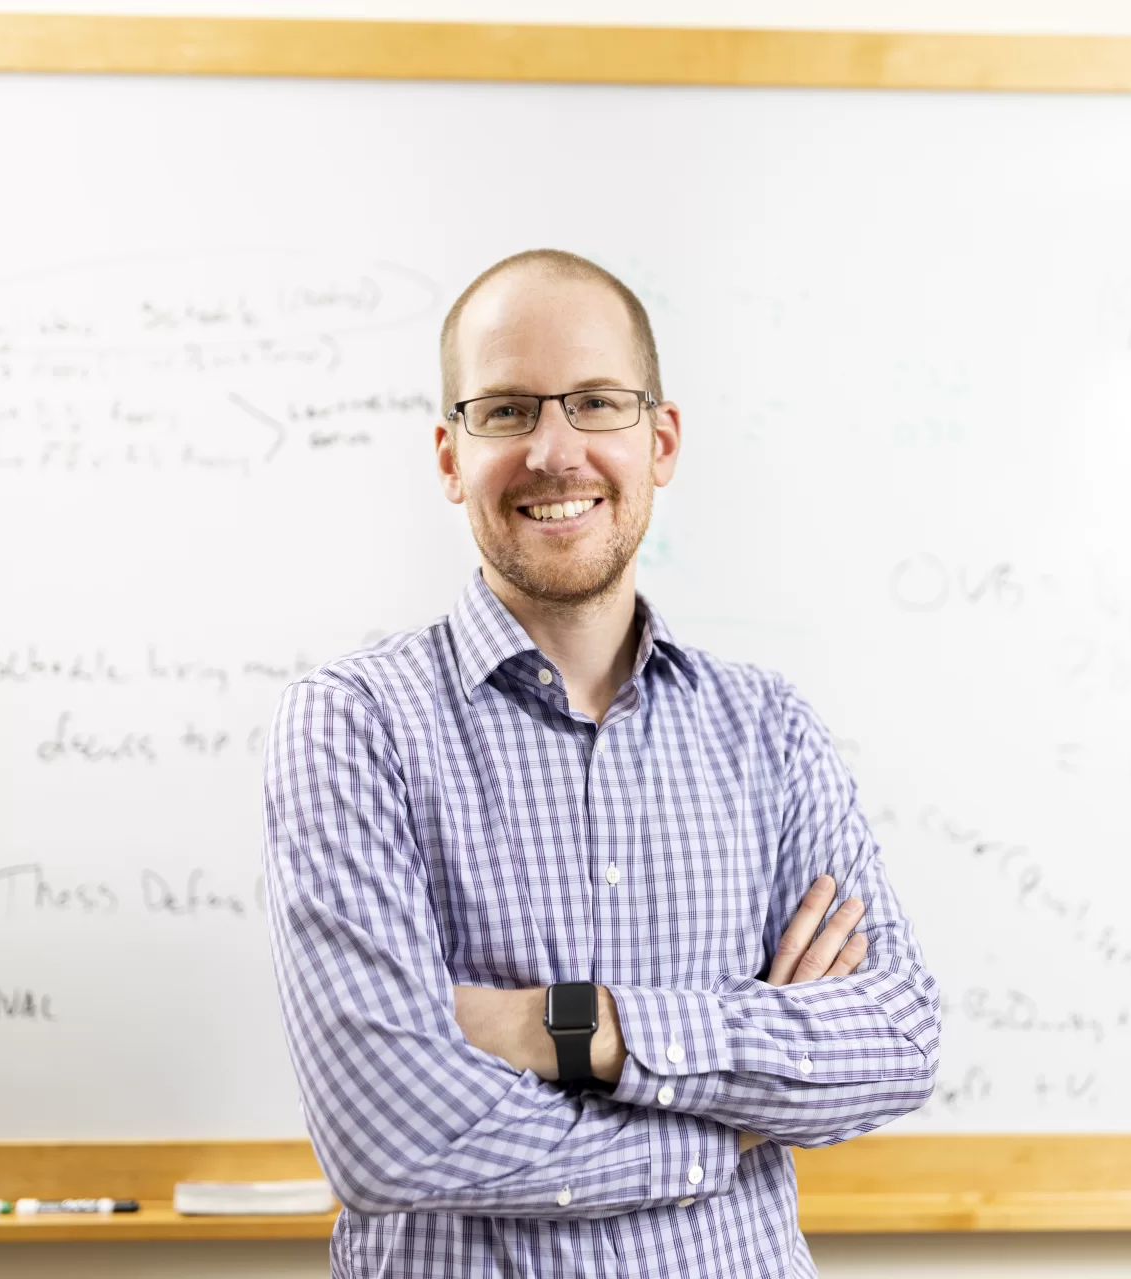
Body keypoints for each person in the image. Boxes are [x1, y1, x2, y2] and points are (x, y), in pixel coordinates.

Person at [263, 248, 940, 1278]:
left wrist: (568, 1029)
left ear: (659, 440)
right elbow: (385, 1134)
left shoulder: (769, 731)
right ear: (448, 456)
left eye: (594, 402)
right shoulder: (352, 727)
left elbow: (892, 1037)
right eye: (502, 410)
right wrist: (727, 1124)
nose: (552, 450)